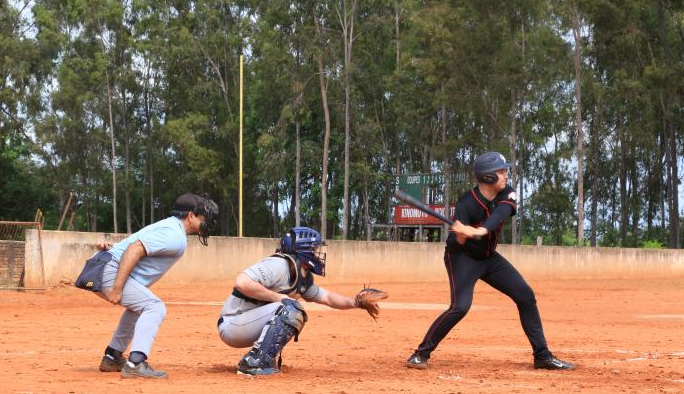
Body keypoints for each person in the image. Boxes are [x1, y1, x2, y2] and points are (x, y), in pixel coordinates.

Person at [406, 151, 575, 371]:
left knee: (525, 295)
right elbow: (459, 240)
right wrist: (461, 231)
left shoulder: (508, 193)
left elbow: (501, 214)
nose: (506, 176)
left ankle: (542, 356)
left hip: (488, 257)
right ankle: (420, 354)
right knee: (460, 307)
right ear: (488, 177)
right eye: (501, 171)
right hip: (462, 258)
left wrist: (480, 230)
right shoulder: (466, 204)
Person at [217, 227, 387, 376]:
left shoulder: (301, 276)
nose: (318, 252)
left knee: (292, 308)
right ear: (303, 249)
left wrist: (355, 302)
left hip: (245, 324)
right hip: (233, 322)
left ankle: (262, 359)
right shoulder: (279, 265)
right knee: (290, 309)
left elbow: (327, 298)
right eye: (315, 248)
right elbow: (242, 282)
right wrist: (280, 298)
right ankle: (254, 362)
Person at [94, 193, 219, 379]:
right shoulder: (174, 235)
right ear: (191, 216)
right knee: (154, 306)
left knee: (138, 307)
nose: (206, 223)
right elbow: (134, 249)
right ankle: (136, 363)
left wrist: (111, 249)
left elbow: (131, 245)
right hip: (108, 271)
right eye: (204, 218)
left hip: (104, 267)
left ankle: (112, 356)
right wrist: (117, 288)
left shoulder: (168, 226)